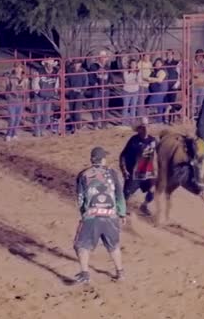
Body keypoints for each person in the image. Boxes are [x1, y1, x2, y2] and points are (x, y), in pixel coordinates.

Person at [74, 146, 127, 284]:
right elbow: (119, 195)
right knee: (113, 245)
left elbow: (80, 198)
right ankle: (120, 272)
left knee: (81, 245)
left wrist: (83, 214)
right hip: (110, 216)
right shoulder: (112, 173)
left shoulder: (83, 175)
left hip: (91, 216)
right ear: (103, 159)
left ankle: (85, 273)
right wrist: (122, 213)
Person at [119, 117, 157, 216]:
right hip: (134, 173)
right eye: (143, 127)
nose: (146, 129)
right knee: (126, 194)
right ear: (139, 129)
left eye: (147, 126)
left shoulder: (153, 140)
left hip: (148, 173)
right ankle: (122, 209)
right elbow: (123, 155)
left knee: (153, 189)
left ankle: (144, 205)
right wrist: (124, 170)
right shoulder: (133, 141)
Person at [31, 59, 59, 137]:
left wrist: (54, 92)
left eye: (51, 64)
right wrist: (38, 92)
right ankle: (37, 131)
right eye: (48, 64)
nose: (50, 66)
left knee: (47, 117)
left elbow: (57, 83)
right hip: (40, 96)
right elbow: (35, 83)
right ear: (46, 65)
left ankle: (41, 129)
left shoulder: (55, 73)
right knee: (38, 115)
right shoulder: (39, 71)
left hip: (48, 97)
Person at [4, 62, 28, 141]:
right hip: (12, 99)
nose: (18, 69)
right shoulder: (10, 77)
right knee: (12, 118)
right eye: (16, 67)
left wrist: (26, 98)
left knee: (17, 119)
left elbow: (26, 89)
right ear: (14, 68)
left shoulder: (25, 78)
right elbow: (7, 87)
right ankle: (8, 134)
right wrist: (8, 96)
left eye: (20, 68)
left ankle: (14, 133)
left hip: (20, 100)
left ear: (22, 69)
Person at [121, 59, 142, 126]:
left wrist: (135, 79)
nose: (133, 65)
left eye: (134, 64)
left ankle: (132, 122)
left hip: (135, 91)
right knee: (125, 107)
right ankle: (124, 123)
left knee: (133, 107)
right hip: (127, 91)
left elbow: (139, 81)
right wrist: (134, 78)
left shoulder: (139, 72)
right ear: (130, 65)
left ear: (136, 65)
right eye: (132, 64)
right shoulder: (126, 71)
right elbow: (126, 80)